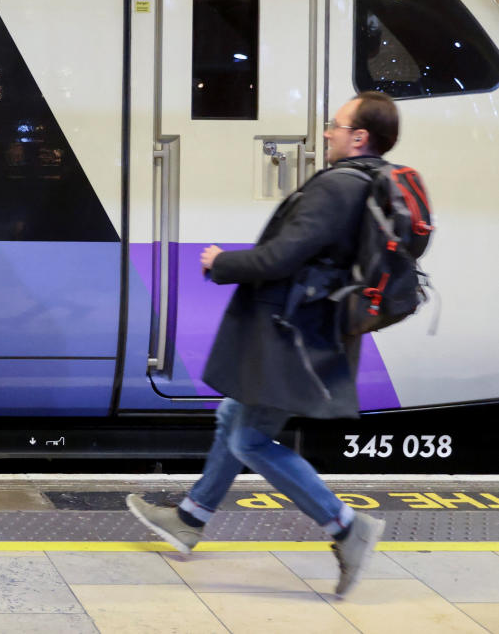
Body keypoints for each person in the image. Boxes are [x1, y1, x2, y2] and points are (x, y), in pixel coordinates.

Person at [127, 91, 401, 597]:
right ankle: (191, 517)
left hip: (291, 337)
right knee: (235, 417)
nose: (326, 132)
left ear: (359, 136)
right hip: (311, 332)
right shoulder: (372, 183)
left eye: (335, 125)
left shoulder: (339, 187)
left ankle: (345, 527)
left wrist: (221, 262)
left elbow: (281, 258)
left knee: (249, 439)